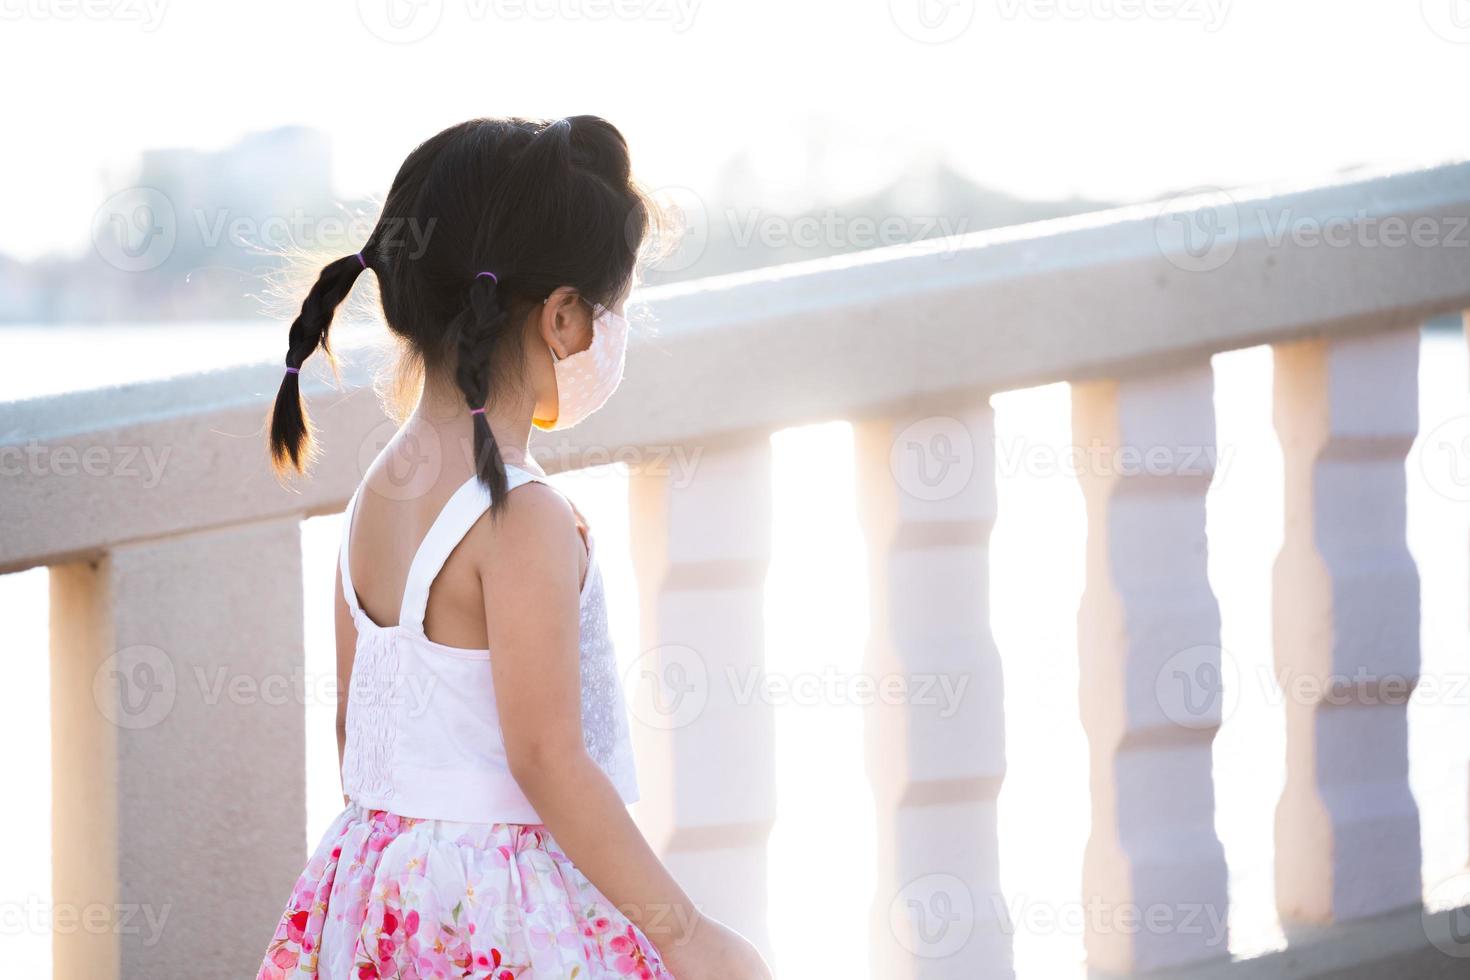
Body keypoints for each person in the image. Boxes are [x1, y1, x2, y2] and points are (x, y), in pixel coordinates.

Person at [256, 115, 770, 980]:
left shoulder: (374, 493)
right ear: (564, 316)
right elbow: (547, 759)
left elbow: (358, 734)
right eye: (612, 309)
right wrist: (690, 938)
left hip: (376, 885)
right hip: (495, 906)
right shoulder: (522, 516)